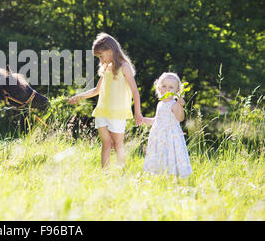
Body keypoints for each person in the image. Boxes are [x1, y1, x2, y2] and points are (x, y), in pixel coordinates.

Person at [68, 33, 142, 168]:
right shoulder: (106, 68)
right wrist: (78, 97)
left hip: (117, 113)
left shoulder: (125, 67)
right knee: (106, 144)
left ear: (110, 50)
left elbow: (135, 92)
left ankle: (121, 173)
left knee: (118, 143)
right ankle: (105, 173)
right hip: (102, 111)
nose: (101, 60)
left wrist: (138, 113)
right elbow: (97, 90)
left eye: (101, 56)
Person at [142, 72, 192, 178]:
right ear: (159, 88)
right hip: (159, 135)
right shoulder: (160, 104)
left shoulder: (174, 104)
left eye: (171, 87)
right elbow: (157, 121)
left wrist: (180, 105)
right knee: (160, 154)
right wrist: (143, 120)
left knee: (171, 154)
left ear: (177, 91)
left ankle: (173, 175)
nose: (167, 89)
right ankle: (160, 174)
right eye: (164, 86)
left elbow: (180, 118)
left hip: (170, 136)